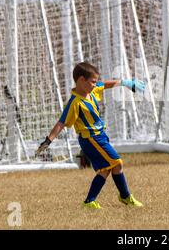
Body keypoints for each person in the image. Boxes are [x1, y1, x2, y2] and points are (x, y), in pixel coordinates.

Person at [36, 62, 145, 209]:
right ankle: (125, 197)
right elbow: (61, 123)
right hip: (91, 139)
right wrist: (48, 140)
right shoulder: (75, 103)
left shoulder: (91, 91)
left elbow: (104, 84)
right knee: (117, 163)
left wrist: (126, 83)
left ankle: (89, 201)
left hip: (99, 136)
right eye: (92, 81)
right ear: (81, 80)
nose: (95, 84)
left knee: (105, 169)